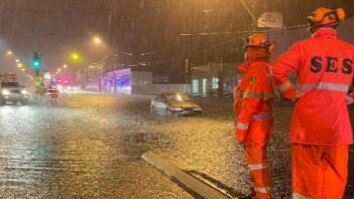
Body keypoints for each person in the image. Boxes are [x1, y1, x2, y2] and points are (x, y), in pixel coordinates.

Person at [271, 7, 353, 199]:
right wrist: (351, 97)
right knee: (334, 181)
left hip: (308, 127)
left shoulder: (303, 47)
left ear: (313, 26)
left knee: (307, 185)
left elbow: (276, 71)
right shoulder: (350, 50)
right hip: (338, 131)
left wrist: (291, 93)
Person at [234, 33, 275, 199]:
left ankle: (262, 196)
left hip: (254, 126)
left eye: (248, 49)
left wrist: (241, 130)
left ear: (251, 50)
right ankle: (258, 193)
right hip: (260, 124)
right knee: (258, 163)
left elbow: (250, 102)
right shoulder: (262, 67)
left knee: (257, 163)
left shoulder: (257, 69)